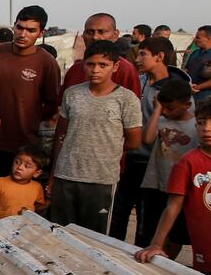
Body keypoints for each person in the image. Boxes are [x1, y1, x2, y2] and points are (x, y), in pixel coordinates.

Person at [50, 40, 142, 233]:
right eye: (90, 64)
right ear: (83, 65)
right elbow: (61, 134)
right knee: (61, 233)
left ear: (115, 66)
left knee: (94, 237)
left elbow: (134, 141)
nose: (95, 70)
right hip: (66, 174)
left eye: (103, 65)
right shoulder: (72, 94)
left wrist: (106, 149)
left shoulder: (126, 99)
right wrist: (54, 172)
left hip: (101, 180)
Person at [135, 96, 211, 275]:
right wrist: (156, 244)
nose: (206, 128)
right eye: (201, 122)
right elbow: (173, 207)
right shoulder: (189, 163)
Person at [125, 36, 191, 243]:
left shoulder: (178, 91)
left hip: (160, 166)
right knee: (122, 212)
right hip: (133, 158)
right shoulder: (139, 82)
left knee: (152, 221)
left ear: (160, 56)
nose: (137, 59)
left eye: (143, 54)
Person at [0, 5, 60, 179]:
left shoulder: (47, 62)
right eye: (20, 28)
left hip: (24, 145)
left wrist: (31, 121)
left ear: (41, 33)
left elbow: (51, 103)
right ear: (14, 26)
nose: (23, 34)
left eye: (31, 30)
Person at [137, 78, 197, 248]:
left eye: (170, 108)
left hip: (181, 188)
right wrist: (157, 110)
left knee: (176, 235)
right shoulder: (161, 120)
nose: (165, 111)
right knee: (150, 230)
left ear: (187, 105)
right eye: (163, 107)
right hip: (155, 183)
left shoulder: (196, 126)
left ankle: (167, 260)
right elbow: (147, 139)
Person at [62, 13, 141, 96]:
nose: (95, 37)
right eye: (90, 32)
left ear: (115, 35)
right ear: (83, 35)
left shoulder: (125, 70)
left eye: (101, 32)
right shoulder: (74, 70)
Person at [0, 145, 48, 221]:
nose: (20, 167)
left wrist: (50, 201)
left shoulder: (37, 187)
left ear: (36, 173)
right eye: (17, 162)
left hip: (25, 226)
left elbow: (38, 208)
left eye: (26, 166)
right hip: (1, 225)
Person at [185, 26, 211, 103]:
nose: (196, 40)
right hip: (189, 97)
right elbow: (186, 71)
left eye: (198, 38)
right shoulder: (195, 53)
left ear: (209, 38)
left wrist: (198, 87)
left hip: (206, 99)